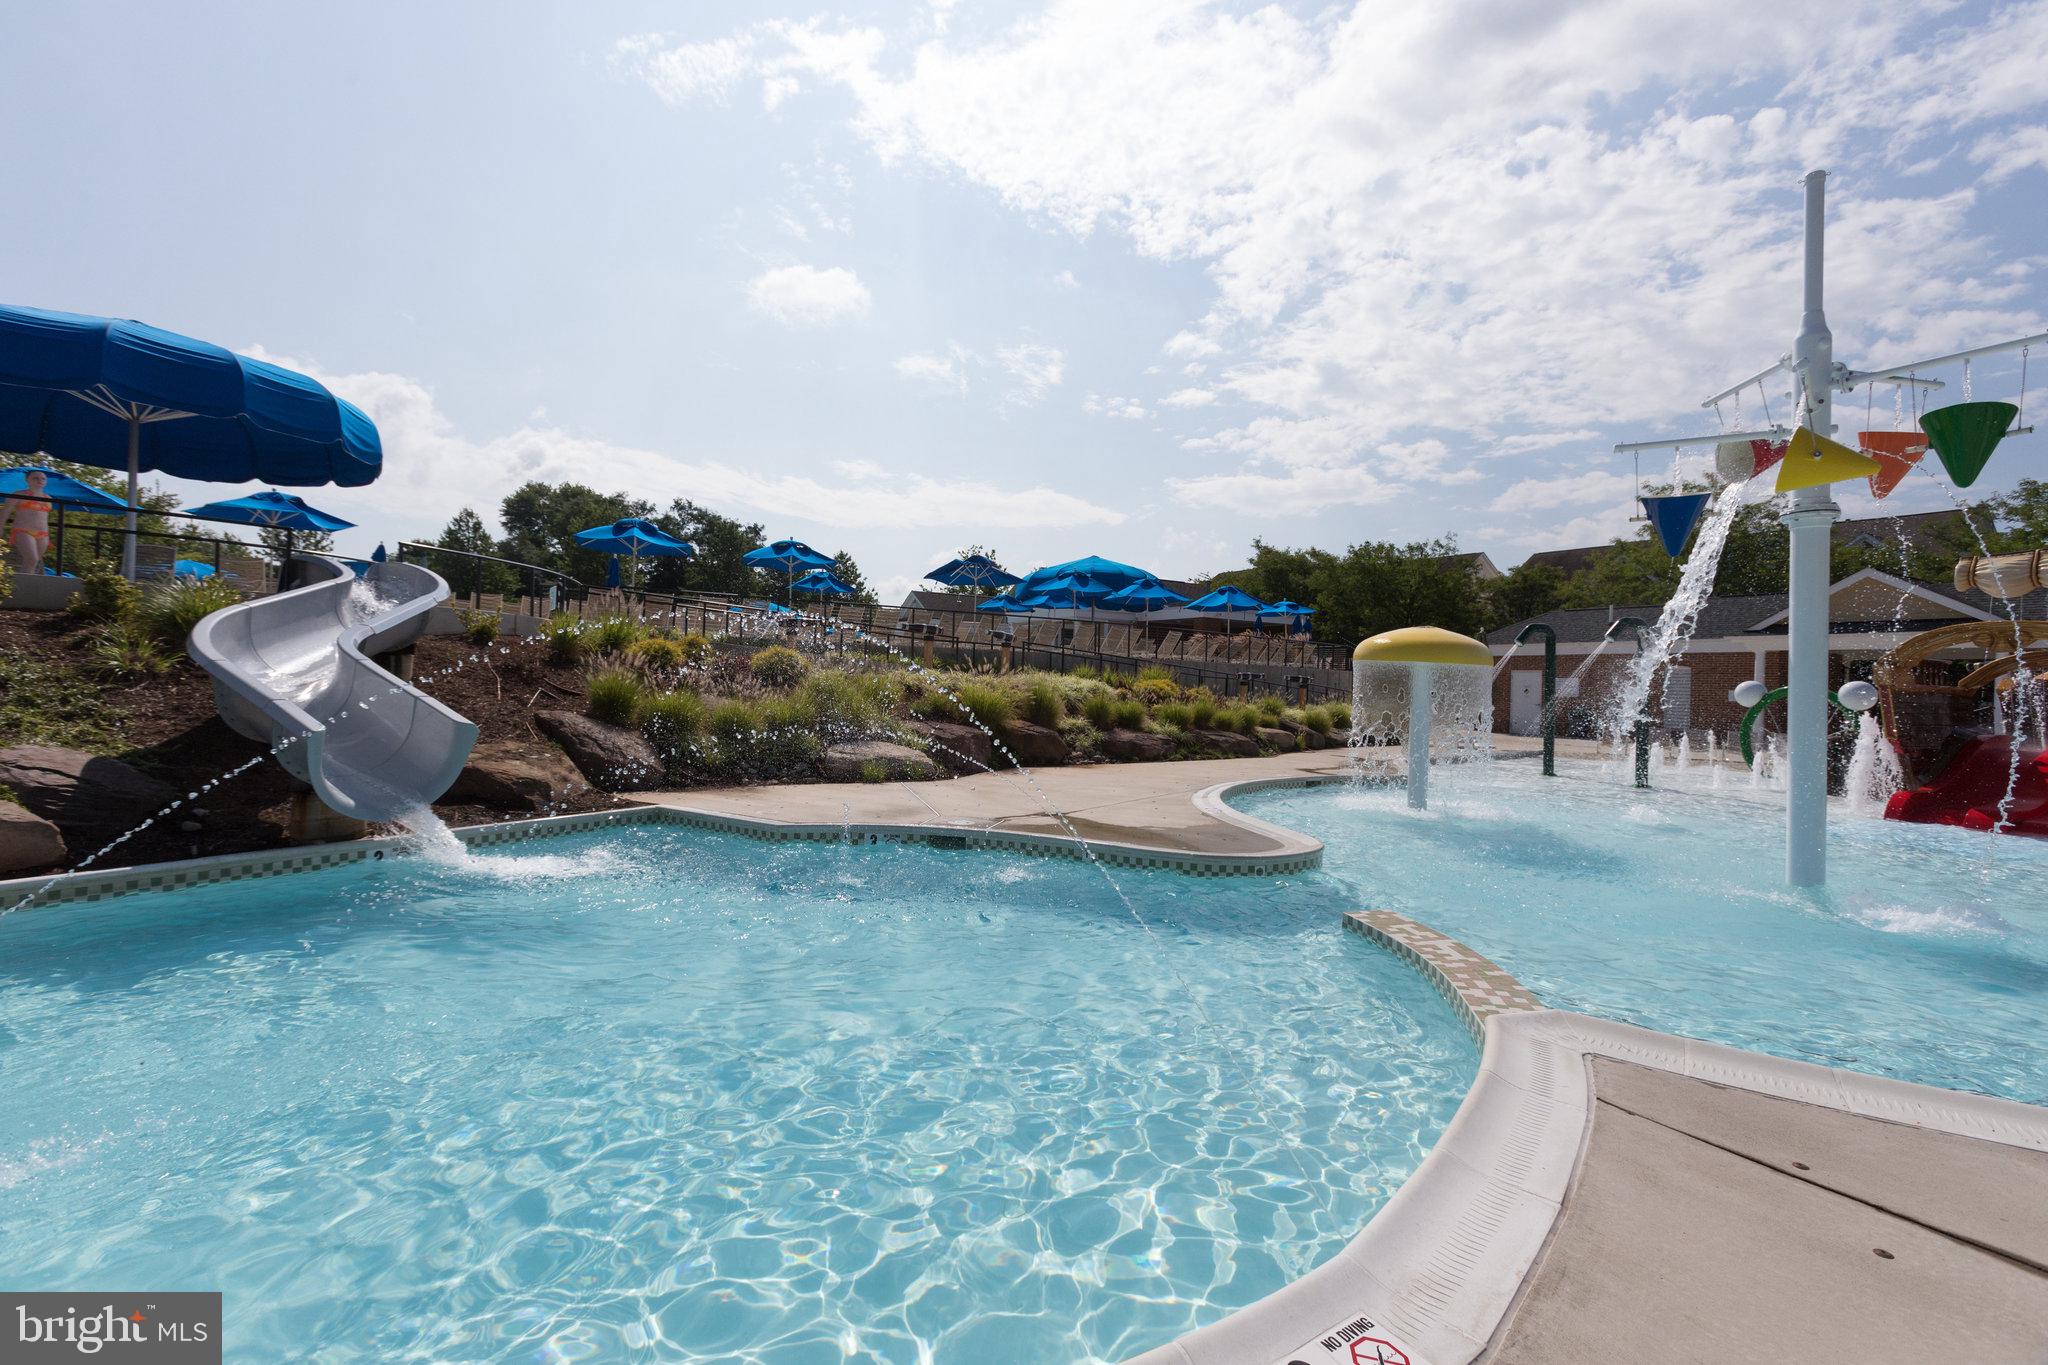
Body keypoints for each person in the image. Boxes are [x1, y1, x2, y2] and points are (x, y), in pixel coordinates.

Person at [0, 470, 52, 576]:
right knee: (32, 559)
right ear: (27, 480)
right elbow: (6, 510)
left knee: (32, 562)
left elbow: (44, 517)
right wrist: (1, 526)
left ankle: (24, 585)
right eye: (35, 478)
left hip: (43, 534)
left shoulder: (48, 498)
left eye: (43, 478)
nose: (40, 481)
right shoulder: (19, 494)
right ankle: (24, 586)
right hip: (23, 530)